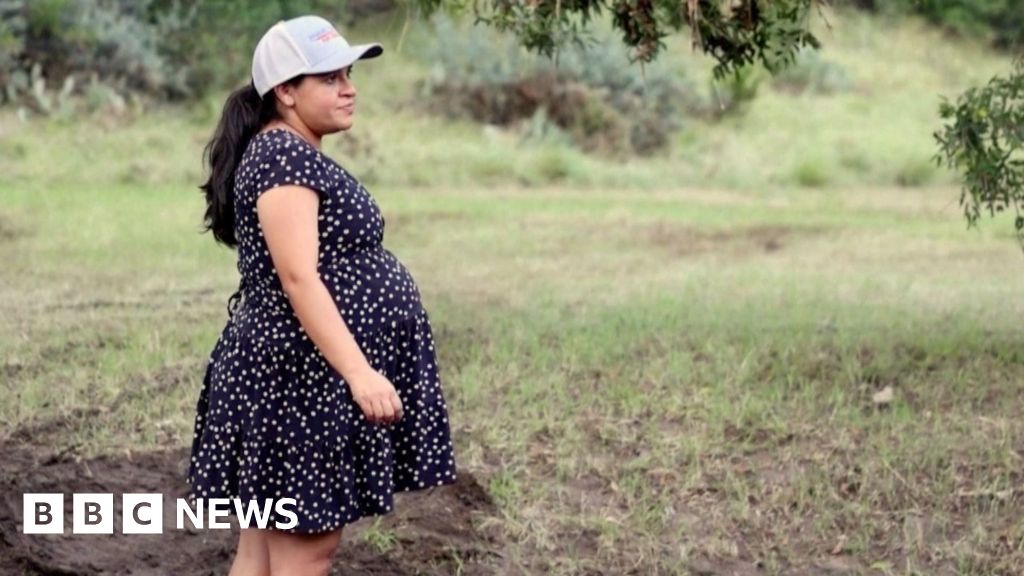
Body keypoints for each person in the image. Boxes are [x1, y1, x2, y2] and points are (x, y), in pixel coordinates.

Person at [187, 14, 458, 576]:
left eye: (348, 74)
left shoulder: (285, 151)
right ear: (285, 92)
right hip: (297, 381)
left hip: (293, 374)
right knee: (305, 550)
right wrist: (360, 373)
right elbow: (298, 278)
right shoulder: (283, 158)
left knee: (262, 551)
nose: (349, 88)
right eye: (330, 78)